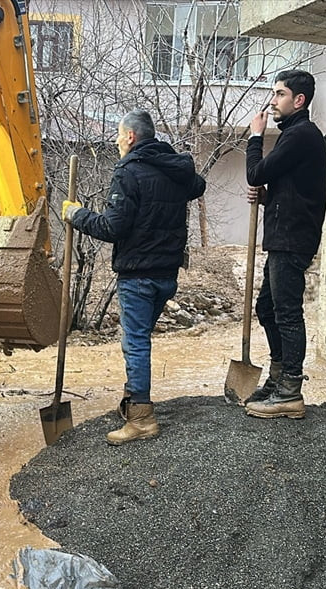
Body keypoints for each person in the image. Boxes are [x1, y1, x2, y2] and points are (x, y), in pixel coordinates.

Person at [62, 110, 206, 445]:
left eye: (118, 134)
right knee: (139, 339)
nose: (115, 141)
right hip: (167, 276)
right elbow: (197, 185)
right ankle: (132, 400)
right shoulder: (174, 167)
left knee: (136, 343)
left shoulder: (130, 171)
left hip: (138, 276)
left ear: (130, 137)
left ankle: (141, 418)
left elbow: (113, 227)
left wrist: (75, 214)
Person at [242, 70, 326, 419]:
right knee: (267, 309)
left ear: (299, 100)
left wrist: (255, 137)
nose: (272, 101)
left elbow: (255, 172)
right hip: (283, 235)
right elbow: (297, 190)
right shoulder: (296, 136)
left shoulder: (302, 135)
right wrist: (267, 199)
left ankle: (291, 390)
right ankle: (278, 376)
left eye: (279, 94)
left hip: (292, 240)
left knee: (287, 313)